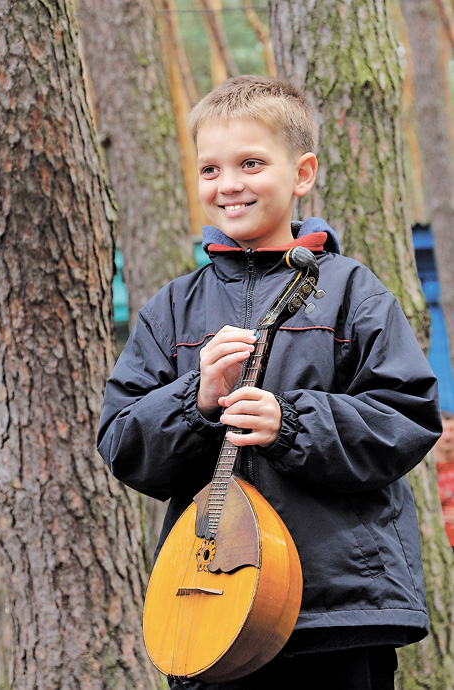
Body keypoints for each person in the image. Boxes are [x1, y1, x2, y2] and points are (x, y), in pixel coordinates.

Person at [97, 75, 442, 690]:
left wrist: (291, 425)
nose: (228, 185)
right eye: (210, 169)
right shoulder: (172, 309)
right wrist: (194, 402)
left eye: (251, 163)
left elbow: (407, 417)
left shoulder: (352, 292)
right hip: (209, 607)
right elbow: (123, 444)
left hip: (336, 610)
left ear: (302, 172)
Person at [434, 409, 454, 550]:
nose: (447, 436)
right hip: (437, 545)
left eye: (451, 430)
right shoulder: (426, 472)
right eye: (443, 430)